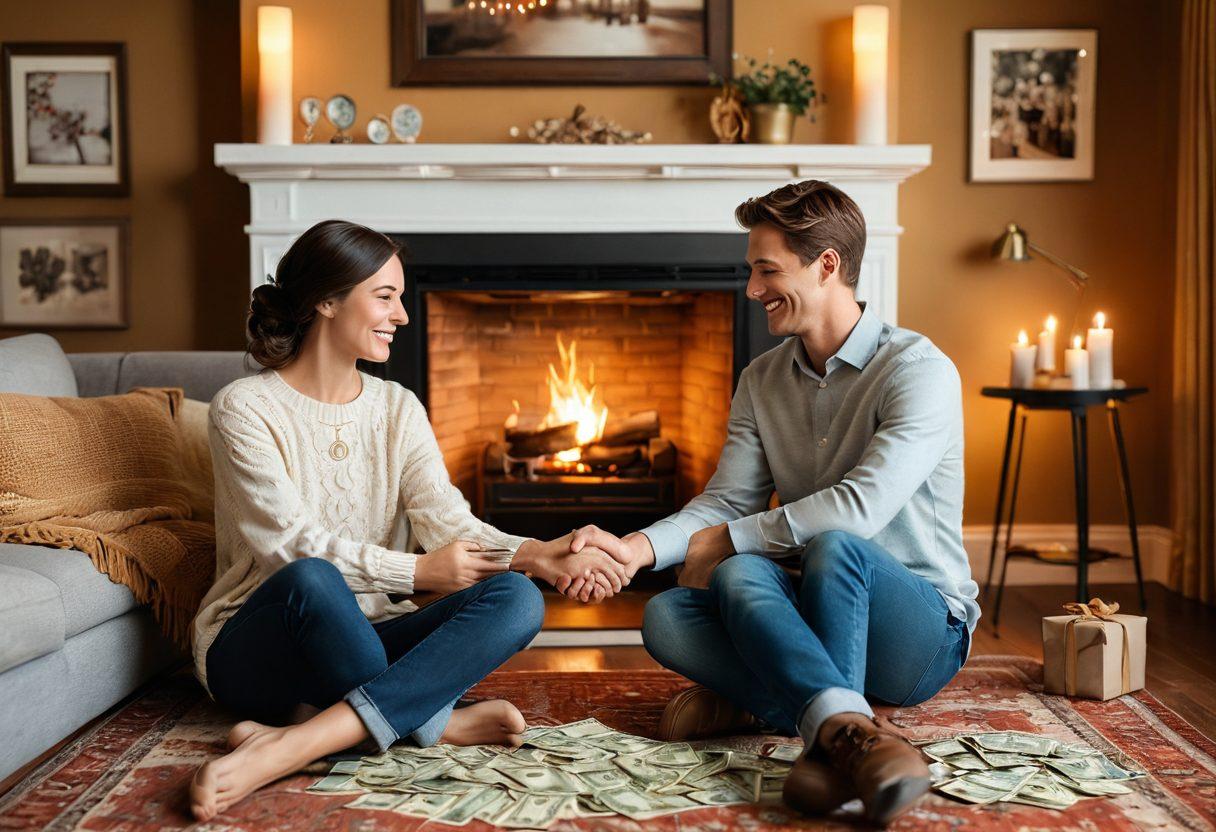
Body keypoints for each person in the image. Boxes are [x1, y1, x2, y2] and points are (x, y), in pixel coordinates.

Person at [568, 181, 978, 825]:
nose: (752, 289)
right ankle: (844, 729)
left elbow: (858, 511)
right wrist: (636, 549)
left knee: (835, 546)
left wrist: (729, 539)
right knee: (670, 615)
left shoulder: (918, 370)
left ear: (827, 265)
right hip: (814, 611)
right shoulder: (761, 380)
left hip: (919, 632)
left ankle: (776, 702)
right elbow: (727, 501)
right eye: (751, 271)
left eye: (767, 271)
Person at [188, 220, 627, 821]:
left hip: (368, 644)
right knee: (315, 577)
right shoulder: (244, 407)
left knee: (518, 599)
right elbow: (289, 547)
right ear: (326, 300)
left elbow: (447, 520)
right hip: (260, 649)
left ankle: (298, 741)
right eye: (385, 296)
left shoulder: (397, 407)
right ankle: (436, 723)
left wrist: (538, 554)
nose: (402, 315)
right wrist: (417, 573)